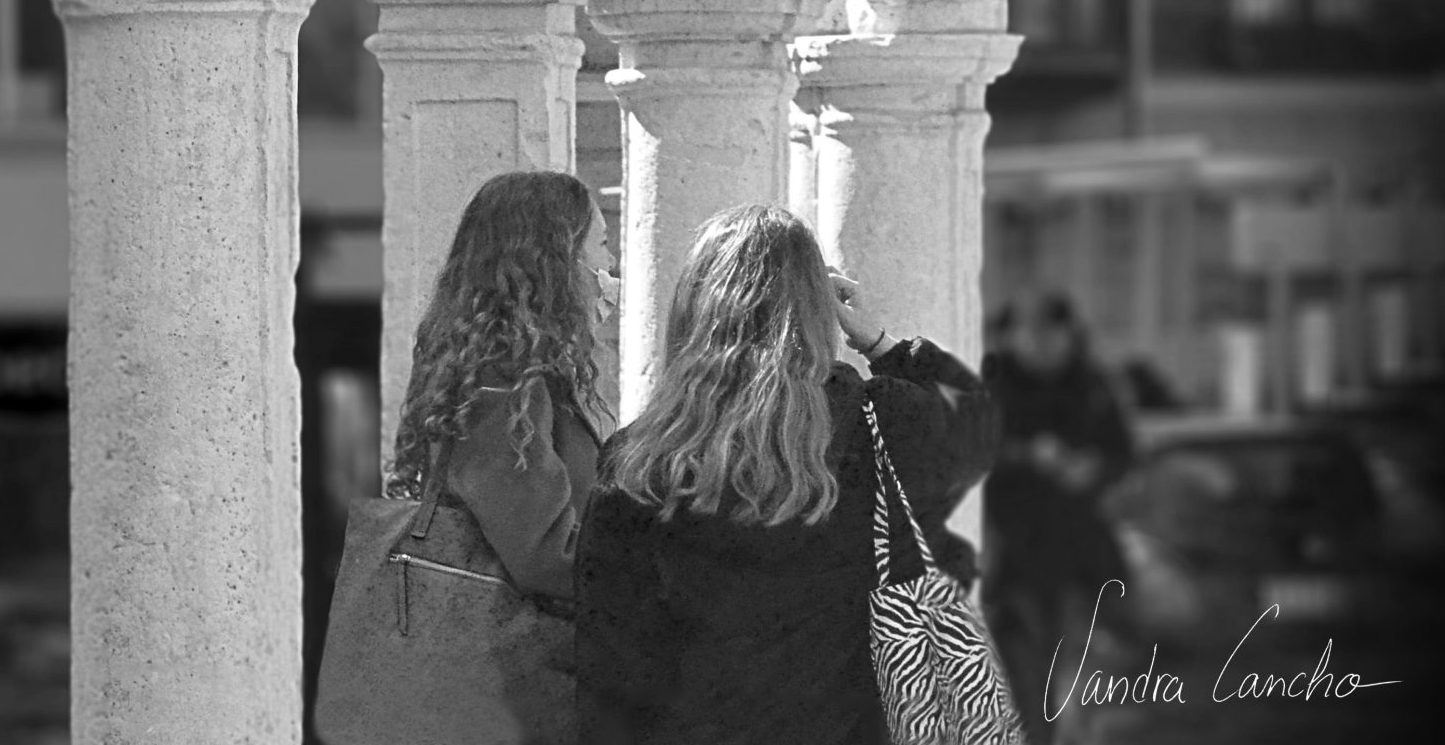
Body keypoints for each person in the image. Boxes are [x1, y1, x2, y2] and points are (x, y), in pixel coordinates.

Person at [575, 205, 997, 745]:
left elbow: (609, 667)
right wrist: (880, 343)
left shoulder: (637, 462)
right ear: (815, 310)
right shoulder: (879, 424)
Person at [389, 168, 613, 603]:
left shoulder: (503, 368)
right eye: (602, 245)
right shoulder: (503, 379)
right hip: (513, 638)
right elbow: (545, 555)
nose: (611, 264)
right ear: (558, 260)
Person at [980, 293, 1134, 744]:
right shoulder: (995, 384)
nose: (1043, 344)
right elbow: (972, 452)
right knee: (1024, 683)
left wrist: (1092, 467)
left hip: (1081, 560)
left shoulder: (1091, 385)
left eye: (1051, 334)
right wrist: (1029, 456)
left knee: (1081, 683)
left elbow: (1121, 452)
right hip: (1015, 560)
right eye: (1033, 334)